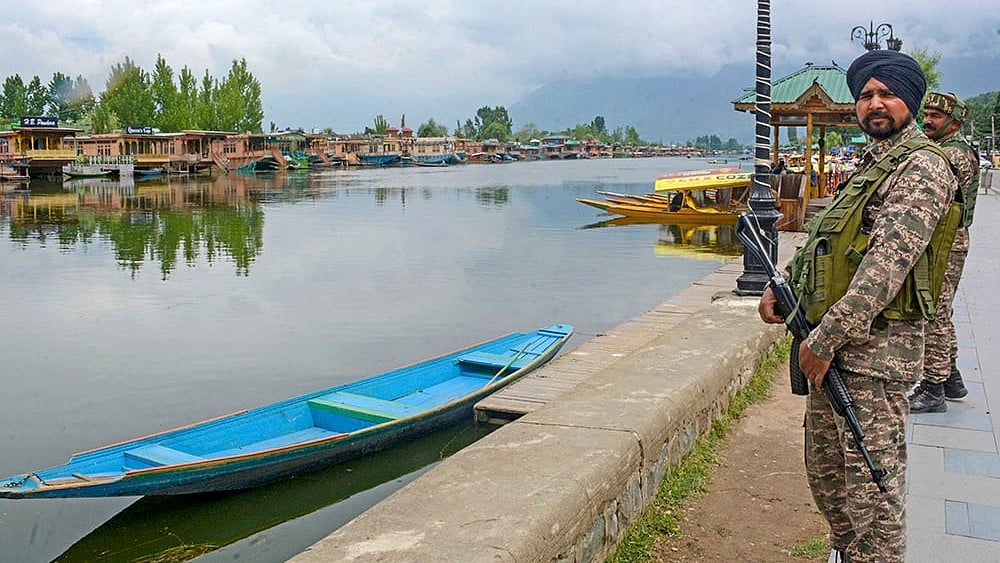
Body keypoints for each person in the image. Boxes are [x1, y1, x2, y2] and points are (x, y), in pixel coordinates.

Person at [756, 50, 957, 562]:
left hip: (873, 358)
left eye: (886, 94)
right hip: (835, 352)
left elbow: (885, 269)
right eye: (866, 95)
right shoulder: (870, 166)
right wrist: (785, 290)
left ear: (909, 99)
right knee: (830, 482)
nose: (875, 104)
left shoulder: (921, 169)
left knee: (872, 488)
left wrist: (823, 340)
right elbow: (828, 240)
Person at [908, 92, 980, 413]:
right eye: (928, 113)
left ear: (954, 122)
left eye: (936, 116)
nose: (928, 120)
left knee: (933, 310)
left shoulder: (954, 156)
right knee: (941, 309)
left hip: (945, 242)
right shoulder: (946, 150)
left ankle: (933, 386)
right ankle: (951, 378)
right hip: (945, 239)